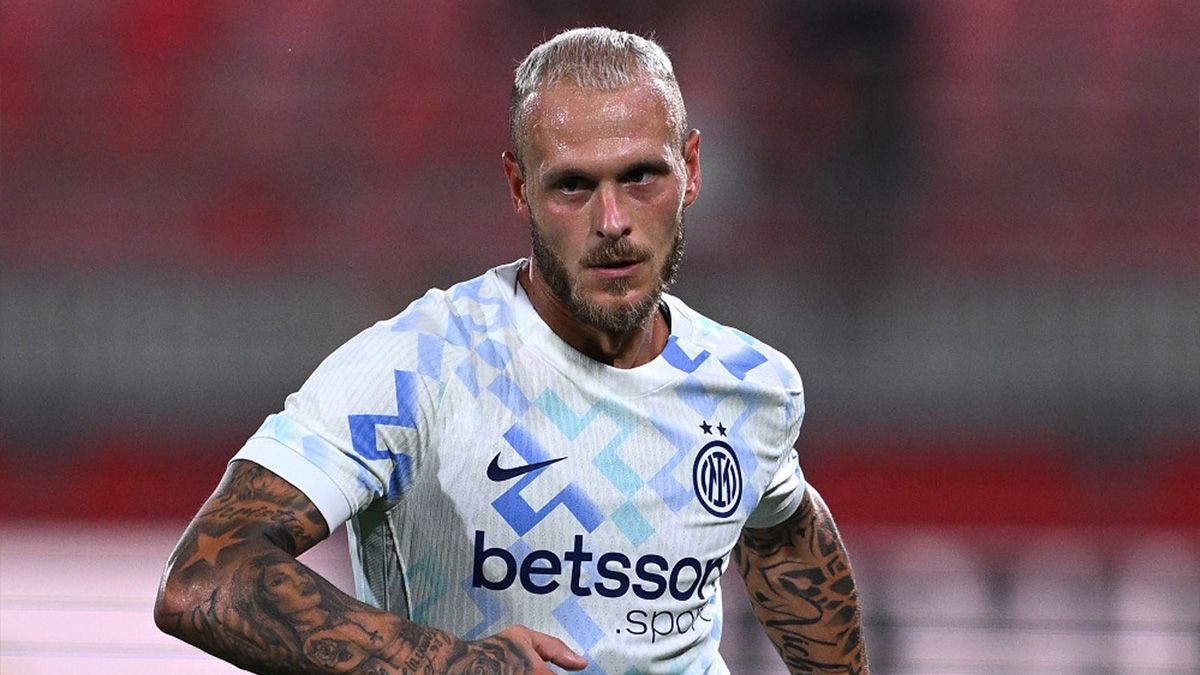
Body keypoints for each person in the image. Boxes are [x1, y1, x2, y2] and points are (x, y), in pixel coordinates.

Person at [155, 26, 869, 675]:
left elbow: (784, 537)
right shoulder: (418, 366)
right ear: (519, 188)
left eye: (640, 177)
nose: (612, 221)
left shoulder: (751, 385)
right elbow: (205, 577)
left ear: (692, 168)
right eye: (572, 186)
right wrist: (452, 665)